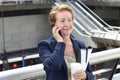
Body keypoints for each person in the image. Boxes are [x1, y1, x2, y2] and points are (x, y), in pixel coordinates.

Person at [37, 4, 93, 80]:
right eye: (62, 21)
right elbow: (54, 66)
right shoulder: (45, 45)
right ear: (54, 25)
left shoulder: (80, 44)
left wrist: (85, 75)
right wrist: (60, 42)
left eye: (69, 20)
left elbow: (90, 75)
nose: (67, 24)